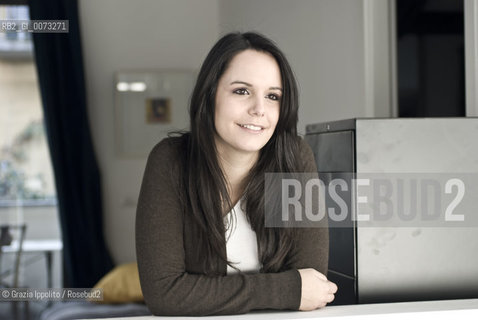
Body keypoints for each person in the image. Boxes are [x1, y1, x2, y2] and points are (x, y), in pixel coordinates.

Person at [135, 31, 337, 316]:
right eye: (242, 91)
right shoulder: (171, 160)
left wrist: (205, 292)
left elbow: (312, 284)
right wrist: (286, 289)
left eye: (273, 96)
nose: (259, 109)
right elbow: (164, 294)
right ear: (210, 94)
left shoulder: (294, 158)